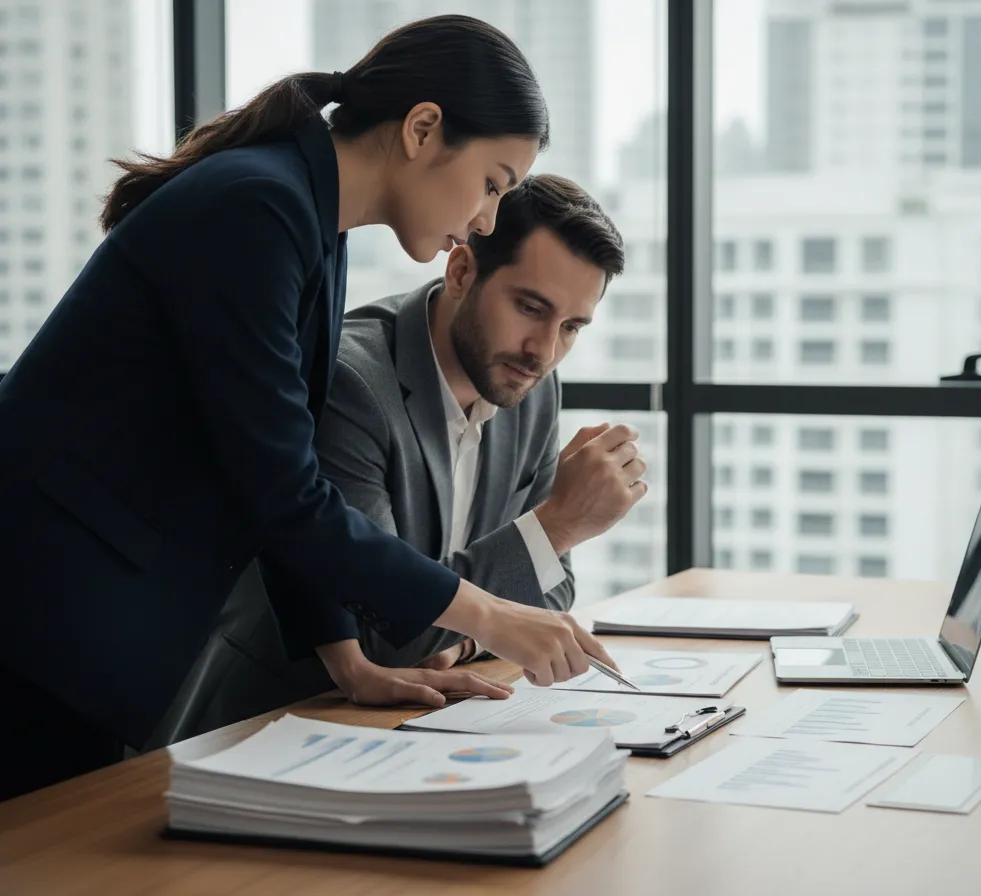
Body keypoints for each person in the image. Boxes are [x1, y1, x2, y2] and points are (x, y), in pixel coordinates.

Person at [0, 15, 619, 802]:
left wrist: (347, 659)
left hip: (80, 621)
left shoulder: (306, 223)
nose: (487, 219)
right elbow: (287, 496)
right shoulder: (257, 209)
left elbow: (268, 477)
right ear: (423, 129)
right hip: (39, 612)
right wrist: (491, 617)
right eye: (493, 182)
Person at [196, 174, 644, 722]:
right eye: (530, 307)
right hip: (281, 716)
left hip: (426, 713)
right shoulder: (352, 383)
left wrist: (457, 643)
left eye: (571, 326)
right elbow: (380, 630)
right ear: (460, 272)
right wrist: (557, 526)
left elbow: (552, 593)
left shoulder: (531, 387)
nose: (545, 350)